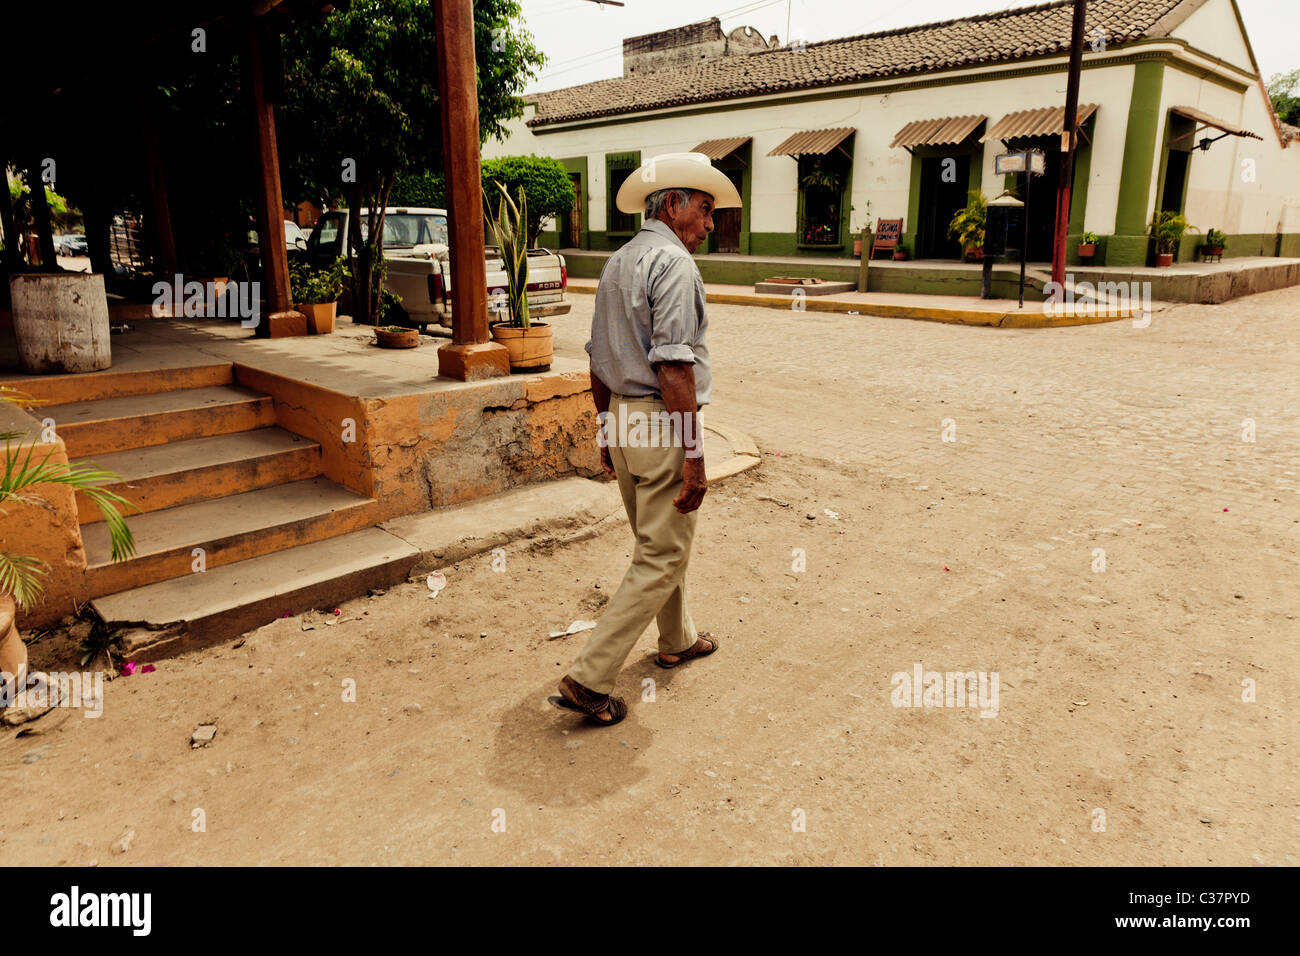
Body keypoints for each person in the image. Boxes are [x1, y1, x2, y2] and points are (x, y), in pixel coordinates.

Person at [549, 153, 743, 727]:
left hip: (627, 419)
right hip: (663, 422)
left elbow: (597, 361)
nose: (710, 224)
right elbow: (675, 368)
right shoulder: (674, 265)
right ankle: (590, 677)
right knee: (662, 551)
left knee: (660, 543)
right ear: (674, 204)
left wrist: (608, 431)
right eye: (705, 210)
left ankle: (676, 638)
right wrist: (696, 455)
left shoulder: (618, 262)